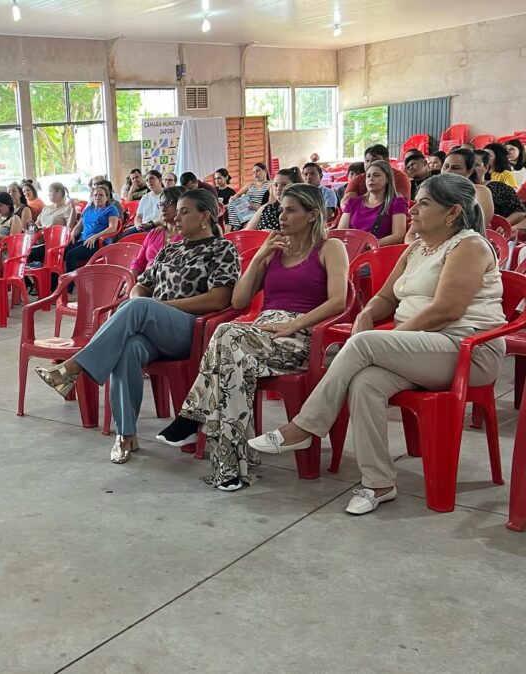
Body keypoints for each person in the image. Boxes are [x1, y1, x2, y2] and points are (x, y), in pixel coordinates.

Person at [250, 174, 504, 515]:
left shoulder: (469, 246)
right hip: (422, 348)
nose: (413, 209)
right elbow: (385, 297)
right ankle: (378, 482)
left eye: (424, 203)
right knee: (365, 382)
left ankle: (305, 426)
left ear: (452, 212)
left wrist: (385, 337)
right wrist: (367, 314)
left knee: (363, 346)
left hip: (467, 351)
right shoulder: (417, 248)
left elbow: (447, 310)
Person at [155, 183, 349, 491]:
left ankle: (194, 419)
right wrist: (259, 256)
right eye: (280, 209)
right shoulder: (274, 251)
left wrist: (294, 324)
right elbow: (238, 302)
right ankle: (229, 470)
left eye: (291, 210)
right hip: (260, 333)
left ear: (313, 215)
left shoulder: (330, 248)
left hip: (301, 336)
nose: (281, 216)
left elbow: (338, 301)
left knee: (226, 335)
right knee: (232, 360)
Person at [35, 189, 240, 462]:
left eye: (184, 212)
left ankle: (75, 366)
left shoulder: (222, 248)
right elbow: (142, 285)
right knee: (128, 348)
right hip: (153, 324)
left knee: (140, 307)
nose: (176, 218)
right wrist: (142, 303)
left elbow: (219, 299)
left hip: (190, 330)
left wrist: (157, 308)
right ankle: (125, 435)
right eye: (175, 211)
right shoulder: (171, 248)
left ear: (205, 216)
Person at [337, 160, 408, 246]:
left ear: (387, 179)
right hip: (352, 251)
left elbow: (398, 236)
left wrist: (370, 245)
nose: (371, 179)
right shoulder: (352, 203)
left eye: (376, 175)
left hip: (379, 252)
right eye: (368, 176)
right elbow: (341, 233)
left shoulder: (397, 202)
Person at [64, 183, 121, 272]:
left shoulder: (111, 209)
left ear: (107, 197)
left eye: (101, 195)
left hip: (99, 242)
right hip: (84, 241)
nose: (97, 197)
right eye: (95, 195)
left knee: (71, 254)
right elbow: (79, 226)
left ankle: (70, 284)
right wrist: (72, 235)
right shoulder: (88, 209)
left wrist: (95, 236)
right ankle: (57, 282)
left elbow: (112, 227)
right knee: (62, 252)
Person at [128, 186, 183, 277]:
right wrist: (130, 281)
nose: (163, 208)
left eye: (168, 203)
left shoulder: (188, 234)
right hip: (145, 283)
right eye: (161, 204)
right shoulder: (155, 233)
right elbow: (138, 262)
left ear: (180, 204)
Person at [436, 148, 495, 227]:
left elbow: (480, 226)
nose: (448, 171)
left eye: (455, 168)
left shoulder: (480, 191)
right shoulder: (433, 189)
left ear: (469, 172)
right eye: (446, 166)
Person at [342, 145, 413, 203]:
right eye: (367, 161)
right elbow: (346, 202)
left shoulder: (400, 177)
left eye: (375, 160)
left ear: (386, 161)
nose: (370, 164)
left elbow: (399, 203)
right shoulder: (358, 179)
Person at [244, 167, 301, 232]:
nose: (278, 188)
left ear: (295, 186)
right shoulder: (266, 208)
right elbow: (247, 231)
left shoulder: (300, 210)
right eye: (276, 185)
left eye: (284, 185)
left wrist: (275, 234)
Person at [226, 162, 272, 230]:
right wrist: (233, 198)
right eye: (253, 173)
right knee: (230, 205)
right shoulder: (250, 184)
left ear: (265, 171)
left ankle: (239, 230)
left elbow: (271, 202)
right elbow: (237, 195)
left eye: (257, 171)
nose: (255, 174)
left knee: (233, 211)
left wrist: (258, 207)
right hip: (246, 209)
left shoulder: (271, 184)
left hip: (259, 210)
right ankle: (229, 233)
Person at [122, 170, 164, 237]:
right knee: (123, 237)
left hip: (157, 226)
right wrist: (138, 224)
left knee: (144, 237)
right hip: (143, 226)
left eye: (151, 178)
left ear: (160, 179)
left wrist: (150, 225)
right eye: (147, 180)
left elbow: (165, 218)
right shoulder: (145, 197)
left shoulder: (166, 195)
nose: (149, 181)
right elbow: (138, 216)